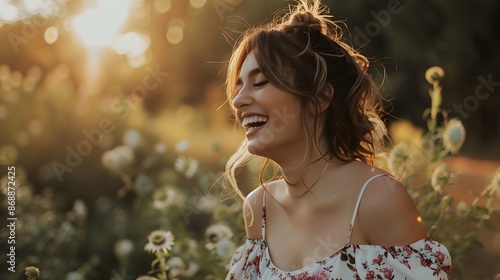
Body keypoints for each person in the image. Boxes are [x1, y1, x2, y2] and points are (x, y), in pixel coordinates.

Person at [223, 0, 451, 279]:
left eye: (259, 83)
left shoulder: (376, 199)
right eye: (239, 86)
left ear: (320, 98)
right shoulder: (259, 209)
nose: (238, 100)